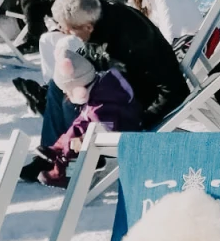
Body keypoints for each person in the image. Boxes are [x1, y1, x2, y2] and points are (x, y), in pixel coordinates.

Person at [37, 0, 188, 160]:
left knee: (71, 102)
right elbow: (96, 54)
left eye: (68, 29)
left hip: (136, 99)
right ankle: (49, 154)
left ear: (88, 27)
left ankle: (80, 159)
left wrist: (142, 120)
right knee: (58, 86)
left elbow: (174, 89)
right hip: (116, 85)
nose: (64, 32)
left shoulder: (134, 41)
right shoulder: (97, 15)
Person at [33, 42, 143, 186]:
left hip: (120, 134)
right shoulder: (98, 92)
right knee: (76, 127)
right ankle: (57, 149)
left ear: (80, 91)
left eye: (69, 92)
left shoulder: (101, 105)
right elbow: (83, 121)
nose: (67, 95)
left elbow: (106, 129)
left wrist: (81, 139)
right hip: (102, 128)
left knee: (75, 143)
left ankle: (66, 172)